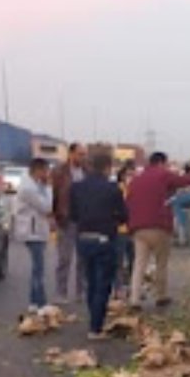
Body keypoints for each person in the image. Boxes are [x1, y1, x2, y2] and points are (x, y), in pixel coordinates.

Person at [126, 151, 190, 310]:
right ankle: (161, 296)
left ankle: (134, 299)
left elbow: (129, 201)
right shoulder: (163, 175)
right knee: (161, 263)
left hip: (138, 228)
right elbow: (188, 180)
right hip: (159, 226)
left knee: (139, 264)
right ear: (161, 163)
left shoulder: (135, 180)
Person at [70, 153, 128, 340]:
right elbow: (123, 216)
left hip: (84, 238)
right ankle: (96, 328)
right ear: (107, 167)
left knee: (91, 282)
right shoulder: (112, 188)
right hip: (104, 240)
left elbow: (73, 214)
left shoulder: (76, 187)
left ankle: (93, 321)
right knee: (103, 284)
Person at [51, 143, 88, 304]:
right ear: (71, 154)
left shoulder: (87, 172)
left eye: (84, 154)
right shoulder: (59, 172)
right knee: (64, 259)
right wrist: (52, 217)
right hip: (65, 220)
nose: (83, 157)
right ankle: (61, 292)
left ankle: (81, 292)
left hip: (85, 221)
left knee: (83, 259)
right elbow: (51, 195)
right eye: (80, 154)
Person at [15, 158, 53, 312]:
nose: (47, 174)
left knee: (38, 268)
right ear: (37, 170)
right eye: (45, 171)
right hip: (32, 231)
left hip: (36, 229)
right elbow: (46, 207)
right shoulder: (28, 188)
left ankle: (36, 302)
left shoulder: (33, 184)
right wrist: (49, 188)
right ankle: (39, 303)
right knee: (38, 269)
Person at [113, 161, 136, 298]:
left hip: (134, 229)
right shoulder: (118, 189)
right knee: (119, 260)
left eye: (132, 174)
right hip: (120, 229)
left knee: (134, 259)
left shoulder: (136, 189)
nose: (130, 177)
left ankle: (131, 286)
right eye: (128, 174)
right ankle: (118, 287)